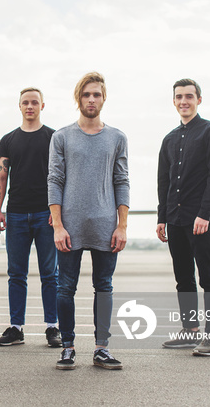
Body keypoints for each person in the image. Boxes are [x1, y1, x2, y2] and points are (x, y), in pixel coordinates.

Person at [47, 72, 129, 370]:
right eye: (86, 95)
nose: (91, 99)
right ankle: (68, 347)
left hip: (106, 225)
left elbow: (122, 181)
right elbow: (54, 181)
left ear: (103, 98)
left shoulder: (117, 137)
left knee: (103, 286)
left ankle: (101, 348)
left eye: (96, 94)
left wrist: (122, 225)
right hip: (69, 227)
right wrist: (57, 225)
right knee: (65, 288)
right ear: (78, 99)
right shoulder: (62, 137)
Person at [157, 78, 210, 356]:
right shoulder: (170, 139)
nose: (183, 101)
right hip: (175, 218)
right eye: (178, 97)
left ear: (199, 99)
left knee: (208, 277)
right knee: (183, 277)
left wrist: (205, 213)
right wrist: (162, 217)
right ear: (173, 101)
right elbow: (164, 181)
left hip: (201, 220)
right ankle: (190, 331)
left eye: (189, 96)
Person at [0, 87, 61, 347]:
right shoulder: (8, 140)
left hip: (46, 215)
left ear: (42, 106)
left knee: (49, 274)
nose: (30, 106)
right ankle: (16, 328)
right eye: (25, 102)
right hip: (17, 214)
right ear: (19, 106)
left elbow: (60, 176)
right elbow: (1, 176)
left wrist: (58, 213)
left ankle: (52, 327)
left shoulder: (54, 137)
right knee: (16, 274)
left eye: (34, 102)